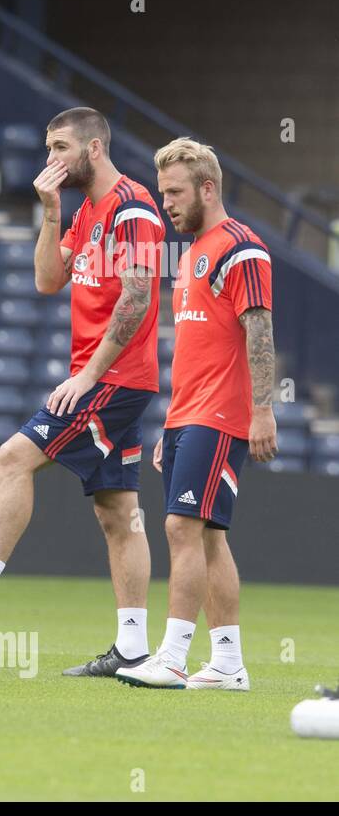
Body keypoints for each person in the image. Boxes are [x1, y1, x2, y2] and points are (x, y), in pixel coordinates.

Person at [0, 107, 165, 678]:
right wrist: (50, 214)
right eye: (48, 148)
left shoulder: (135, 207)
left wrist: (88, 376)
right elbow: (48, 280)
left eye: (60, 148)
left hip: (114, 379)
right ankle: (131, 648)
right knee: (119, 513)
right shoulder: (84, 211)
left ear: (94, 149)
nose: (50, 159)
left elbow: (139, 298)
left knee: (14, 456)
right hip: (112, 378)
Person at [117, 138, 276, 691]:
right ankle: (228, 664)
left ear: (208, 187)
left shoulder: (242, 248)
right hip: (188, 415)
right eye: (162, 195)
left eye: (176, 193)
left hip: (221, 415)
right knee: (208, 538)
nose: (167, 205)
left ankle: (173, 656)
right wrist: (171, 424)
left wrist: (262, 411)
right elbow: (195, 348)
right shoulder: (189, 255)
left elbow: (259, 331)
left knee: (180, 527)